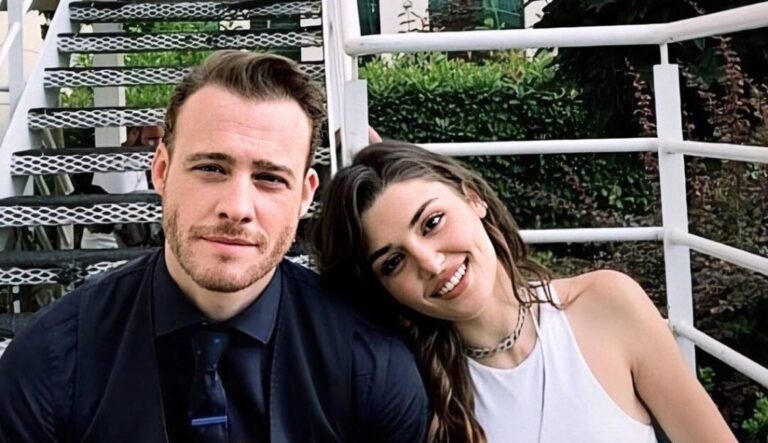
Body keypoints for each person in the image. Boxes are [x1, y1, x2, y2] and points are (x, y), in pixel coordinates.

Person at [0, 52, 428, 443]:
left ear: (304, 195)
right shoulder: (51, 362)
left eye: (270, 178)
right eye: (211, 168)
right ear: (161, 171)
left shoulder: (370, 368)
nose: (237, 208)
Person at [312, 141, 737, 443]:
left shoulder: (606, 304)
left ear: (473, 199)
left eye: (432, 223)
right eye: (393, 262)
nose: (430, 263)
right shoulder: (413, 391)